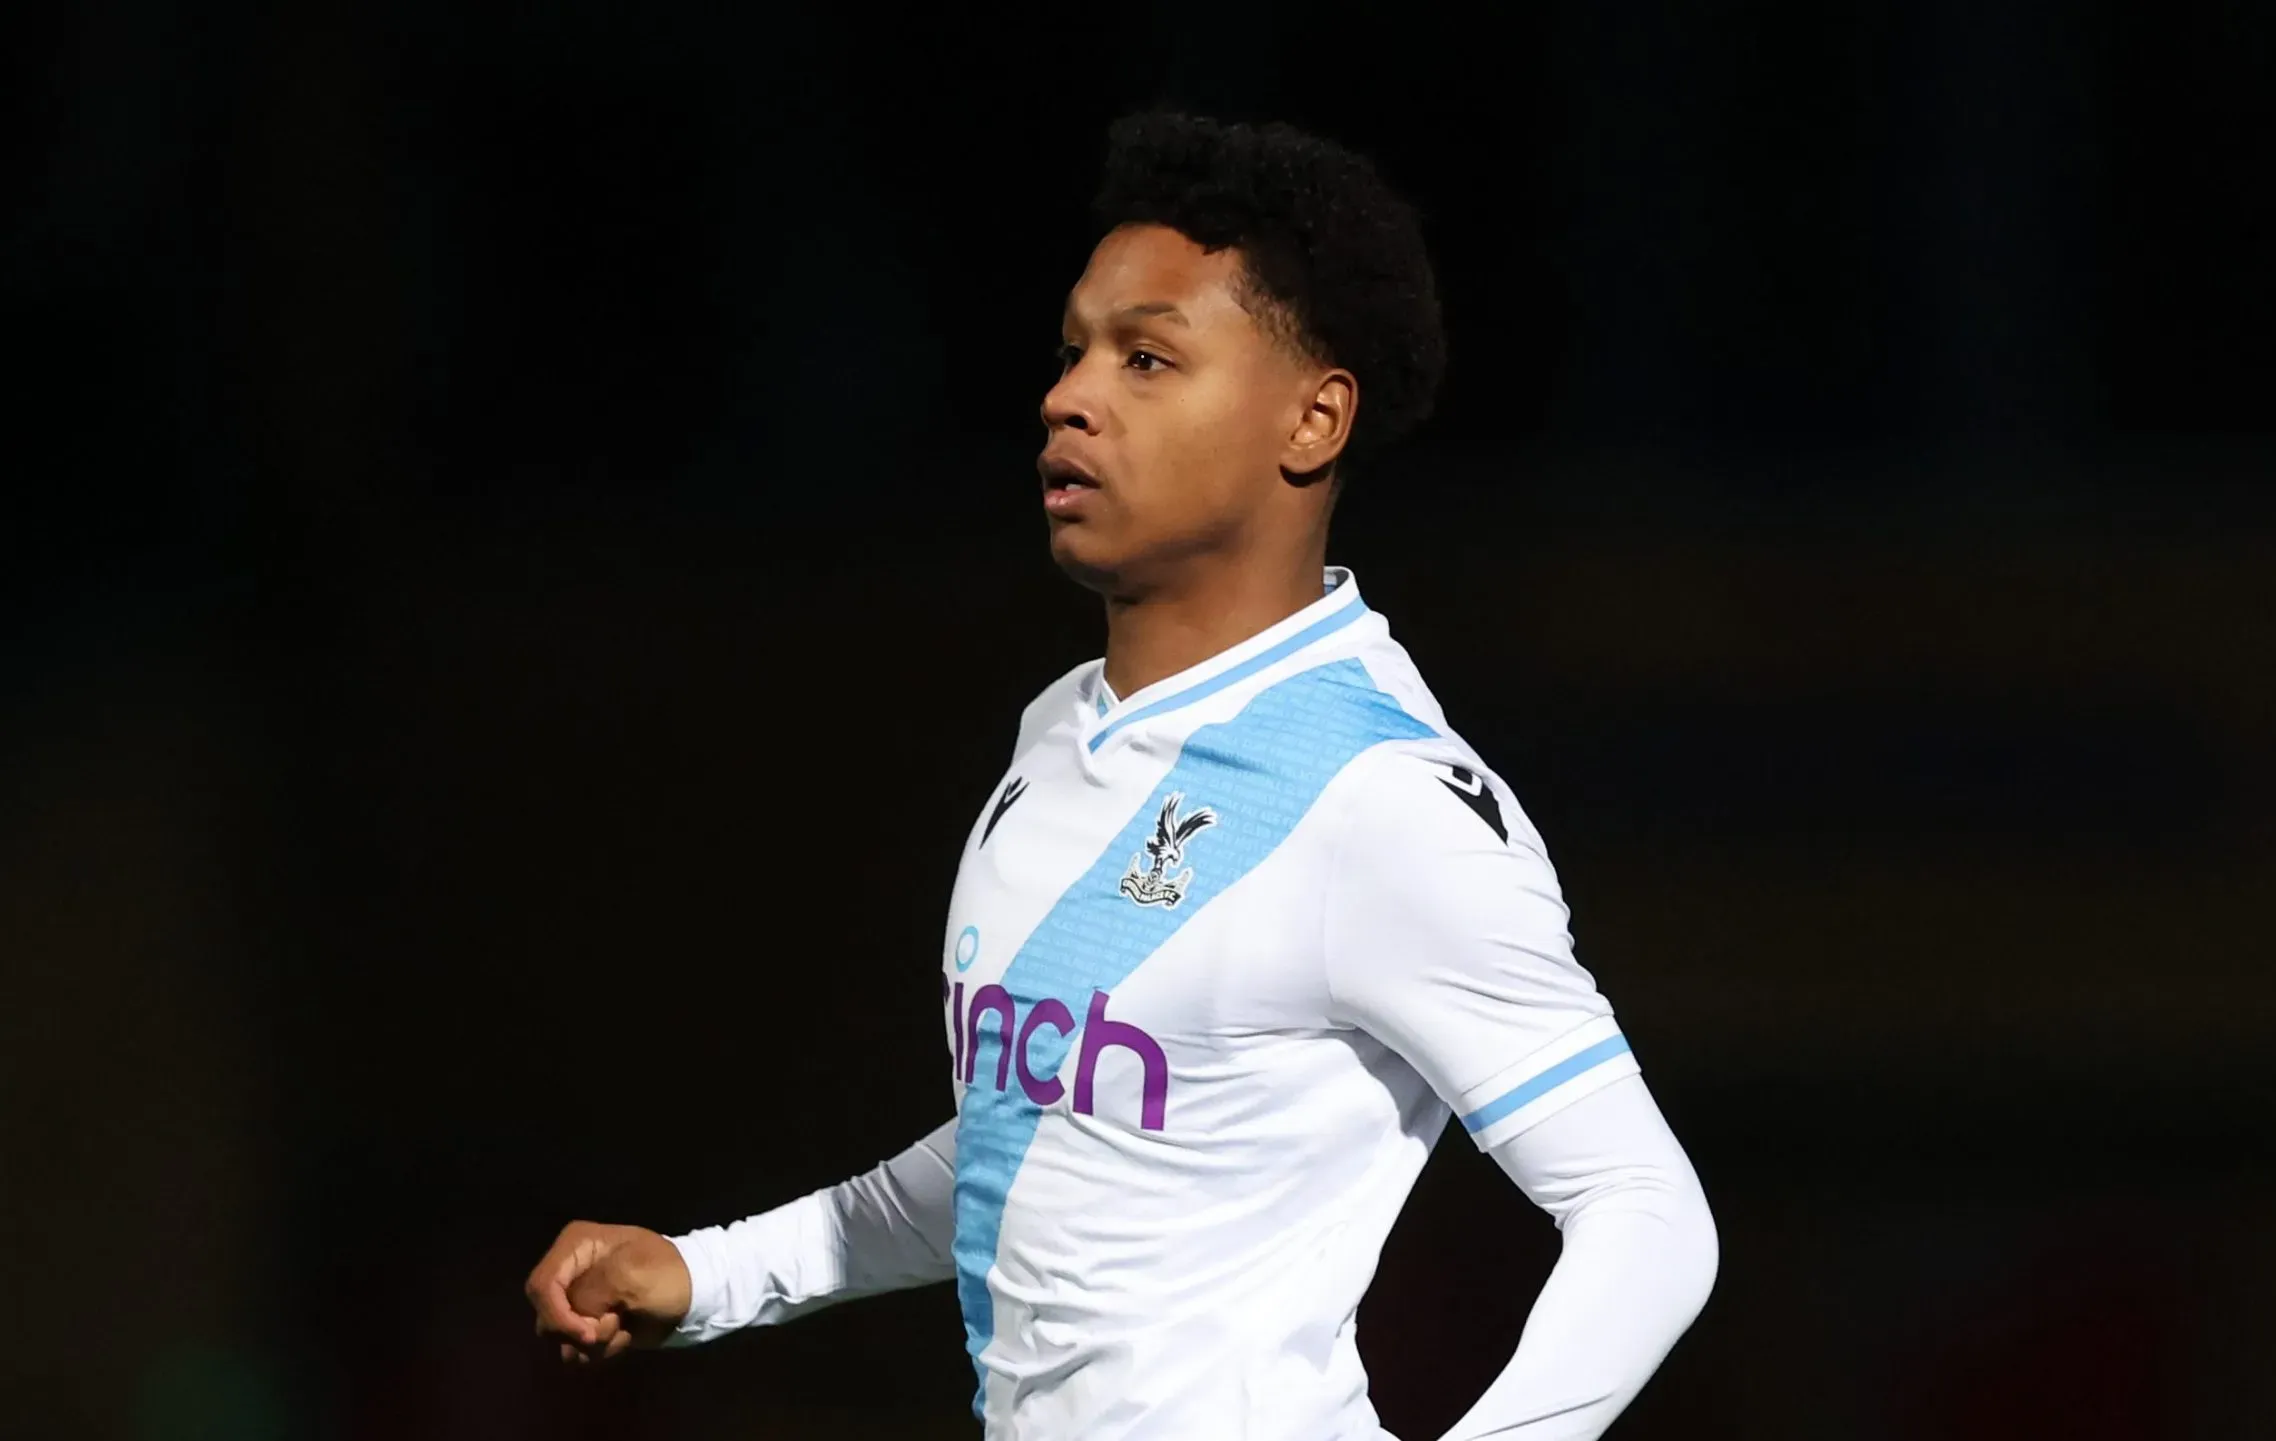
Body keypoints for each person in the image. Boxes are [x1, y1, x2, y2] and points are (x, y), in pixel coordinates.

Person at [524, 111, 1718, 1441]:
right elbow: (1041, 1153)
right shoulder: (1058, 737)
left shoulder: (1380, 798)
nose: (1068, 396)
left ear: (1313, 420)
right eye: (1073, 351)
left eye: (1147, 358)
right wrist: (715, 1273)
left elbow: (1647, 1215)